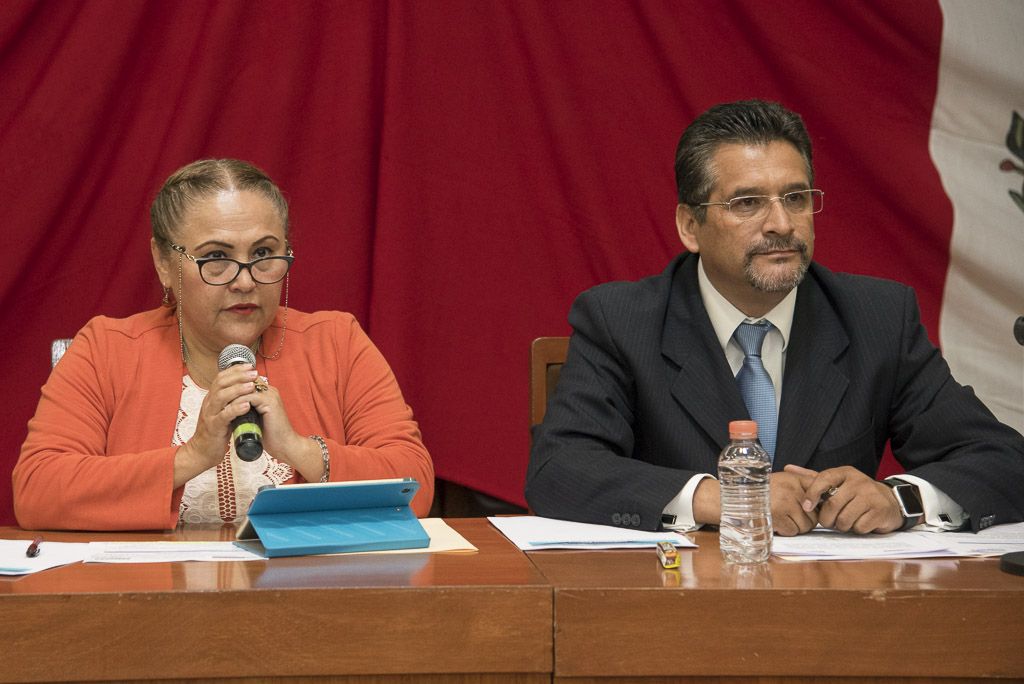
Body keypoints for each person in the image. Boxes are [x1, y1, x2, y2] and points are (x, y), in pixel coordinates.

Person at [526, 100, 1024, 536]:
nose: (782, 224)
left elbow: (1004, 461)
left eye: (796, 198)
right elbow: (560, 470)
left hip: (838, 601)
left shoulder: (876, 318)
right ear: (690, 226)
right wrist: (725, 498)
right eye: (747, 203)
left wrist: (902, 500)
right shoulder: (620, 320)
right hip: (677, 595)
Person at [14, 159, 434, 530]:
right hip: (148, 591)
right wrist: (193, 455)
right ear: (163, 263)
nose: (245, 280)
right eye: (216, 257)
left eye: (264, 253)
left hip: (306, 588)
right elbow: (38, 491)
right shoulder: (106, 349)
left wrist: (298, 449)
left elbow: (414, 485)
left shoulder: (336, 343)